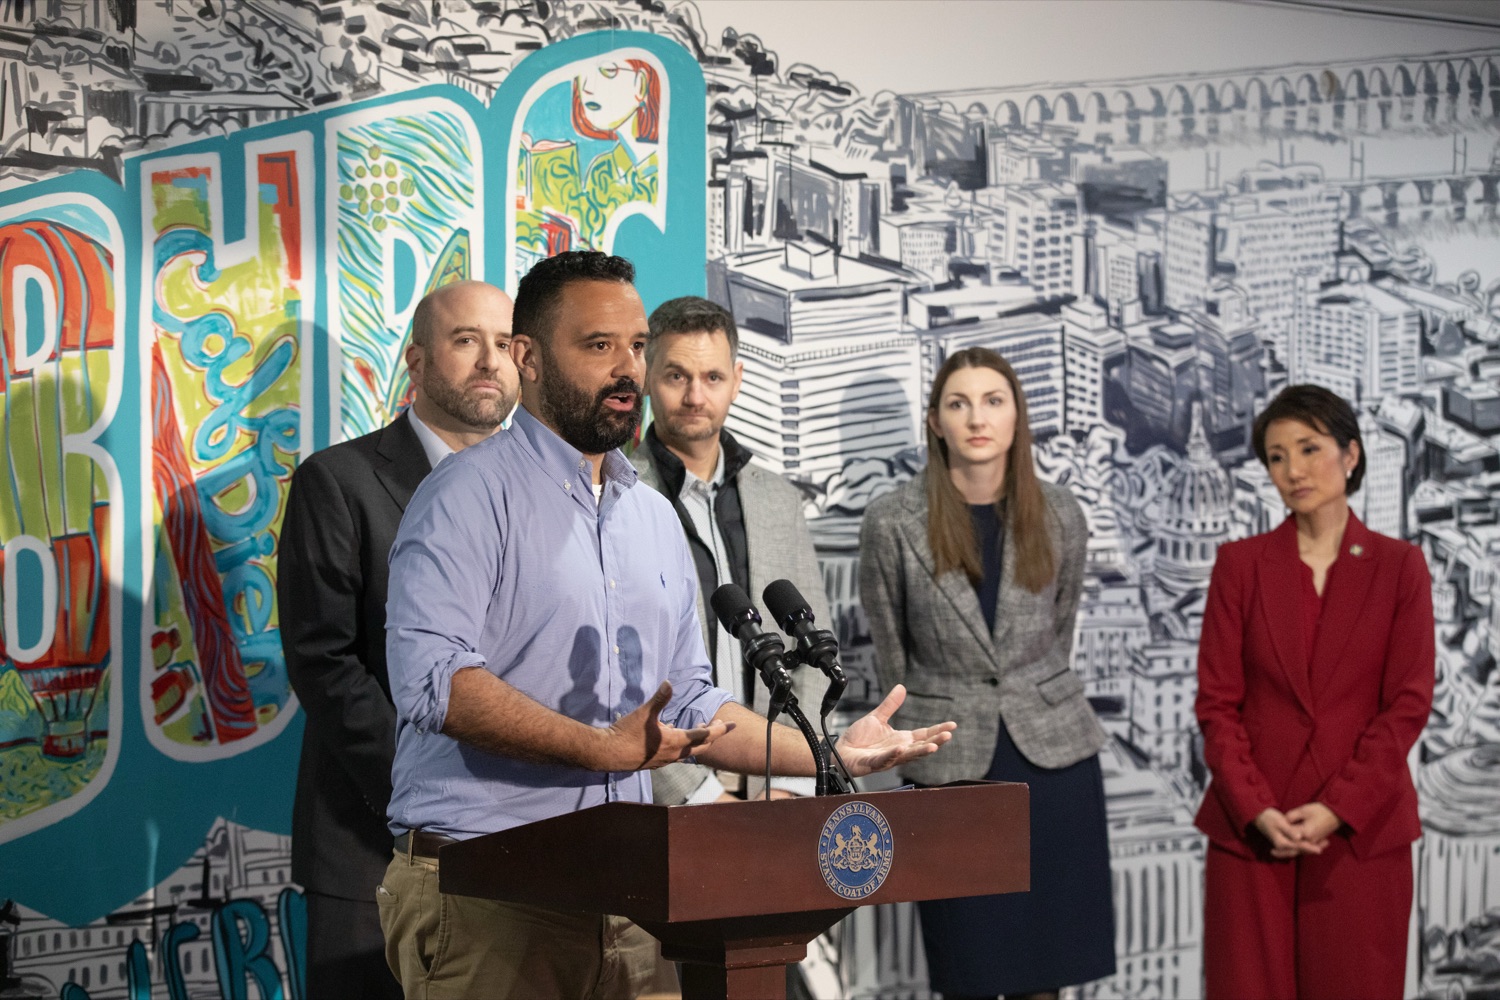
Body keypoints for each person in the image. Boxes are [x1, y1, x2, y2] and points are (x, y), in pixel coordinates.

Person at [377, 250, 955, 1000]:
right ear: (527, 358)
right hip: (490, 891)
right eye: (599, 346)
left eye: (636, 346)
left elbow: (691, 701)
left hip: (633, 896)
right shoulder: (464, 495)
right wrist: (601, 748)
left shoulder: (651, 516)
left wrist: (827, 754)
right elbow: (433, 683)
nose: (628, 369)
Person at [278, 280, 518, 1000]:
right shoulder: (338, 481)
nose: (490, 360)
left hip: (524, 849)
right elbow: (325, 664)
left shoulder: (543, 491)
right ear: (415, 361)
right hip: (371, 849)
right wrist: (438, 794)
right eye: (466, 340)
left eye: (505, 344)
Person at [859, 347, 1115, 1000]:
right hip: (951, 765)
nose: (977, 418)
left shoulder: (1060, 512)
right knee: (968, 973)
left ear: (1017, 417)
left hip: (1052, 765)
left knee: (1045, 977)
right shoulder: (892, 521)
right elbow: (893, 656)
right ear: (936, 422)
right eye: (959, 403)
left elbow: (1058, 630)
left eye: (994, 401)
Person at [1195, 384, 1435, 1000]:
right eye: (1277, 457)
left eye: (1309, 449)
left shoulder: (1400, 567)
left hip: (1359, 833)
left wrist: (1339, 807)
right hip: (1253, 831)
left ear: (1350, 454)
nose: (1293, 471)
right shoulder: (1240, 565)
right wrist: (1256, 807)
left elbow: (1407, 706)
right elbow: (1217, 704)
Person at [633, 295, 829, 806]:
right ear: (646, 375)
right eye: (677, 376)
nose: (695, 395)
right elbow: (619, 672)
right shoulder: (614, 493)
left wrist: (788, 782)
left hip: (777, 789)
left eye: (713, 377)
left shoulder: (778, 499)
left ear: (736, 380)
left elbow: (812, 648)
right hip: (669, 792)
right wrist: (698, 796)